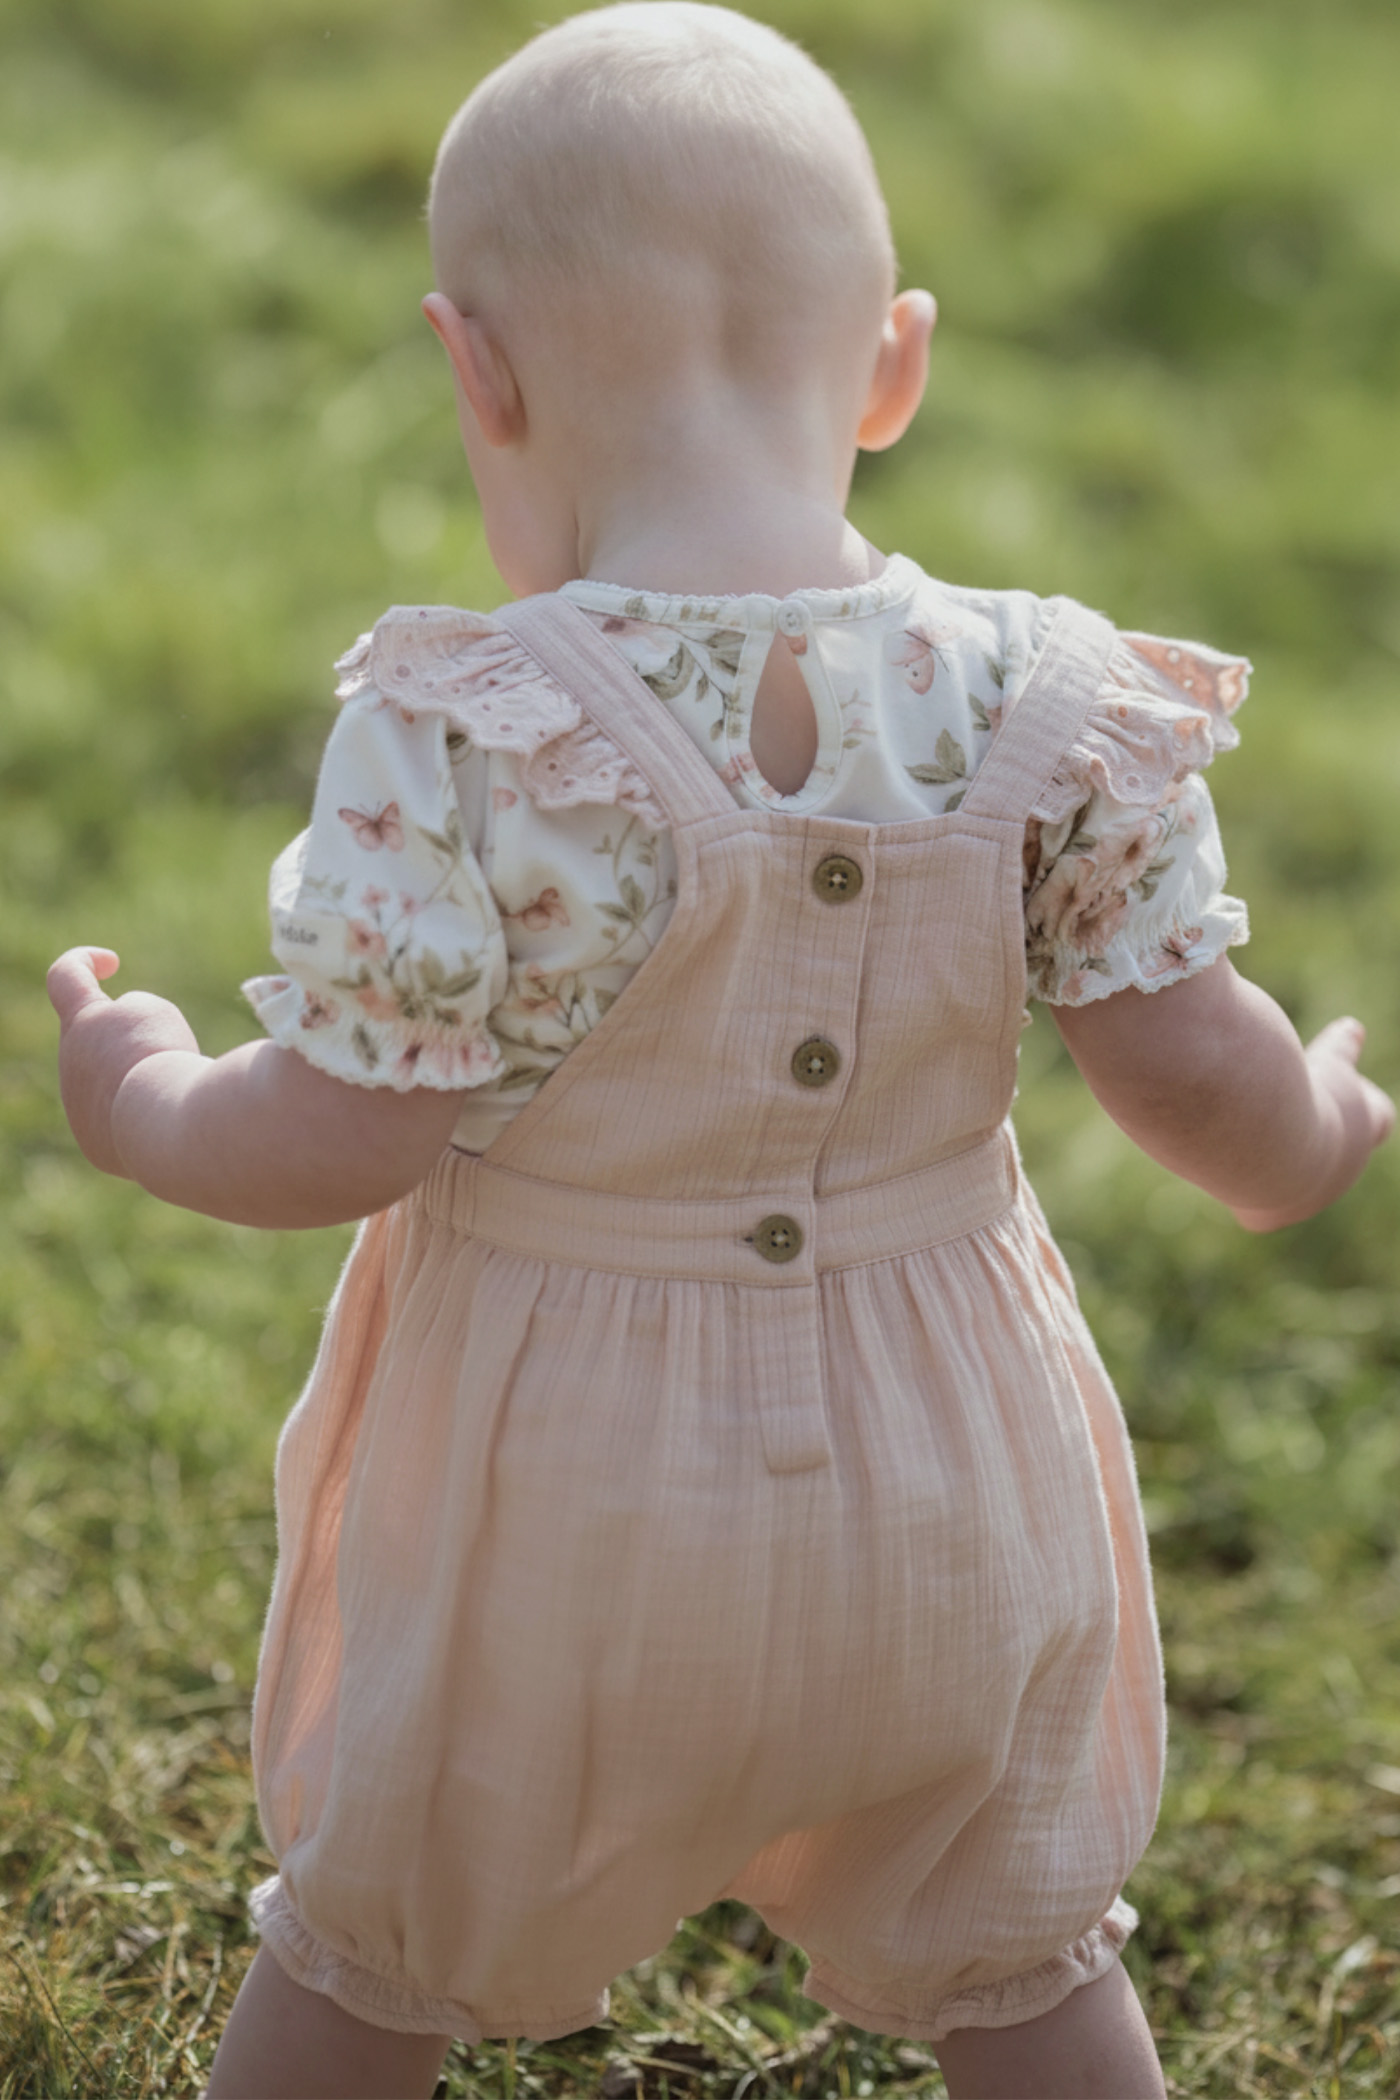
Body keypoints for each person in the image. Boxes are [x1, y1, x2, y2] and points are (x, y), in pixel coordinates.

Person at [47, 6, 1392, 2096]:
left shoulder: (471, 727)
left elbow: (348, 1125)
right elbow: (1195, 1082)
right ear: (894, 366)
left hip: (550, 1511)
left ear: (471, 374)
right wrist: (1313, 1129)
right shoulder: (1061, 707)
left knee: (374, 1946)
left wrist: (145, 1099)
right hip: (956, 1479)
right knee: (1019, 1950)